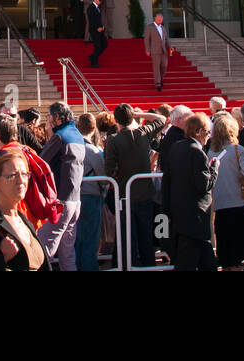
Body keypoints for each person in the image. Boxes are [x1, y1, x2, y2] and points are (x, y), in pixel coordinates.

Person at [104, 103, 166, 267]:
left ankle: (129, 266)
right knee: (145, 237)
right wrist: (139, 115)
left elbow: (109, 169)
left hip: (125, 195)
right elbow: (161, 118)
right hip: (144, 194)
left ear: (116, 120)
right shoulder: (143, 133)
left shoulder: (113, 140)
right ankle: (148, 266)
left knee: (127, 237)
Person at [163, 113, 218, 270]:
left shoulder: (176, 147)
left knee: (205, 259)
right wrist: (214, 169)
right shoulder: (197, 153)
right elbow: (204, 184)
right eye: (207, 132)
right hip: (195, 217)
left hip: (181, 214)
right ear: (199, 132)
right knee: (188, 261)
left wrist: (167, 210)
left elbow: (167, 179)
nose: (208, 137)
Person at [37, 102, 85, 270]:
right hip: (75, 201)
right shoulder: (78, 135)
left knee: (41, 248)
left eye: (49, 116)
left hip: (60, 202)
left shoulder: (59, 136)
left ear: (57, 117)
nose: (47, 120)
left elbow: (40, 162)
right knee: (67, 252)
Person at [207, 113, 244, 269]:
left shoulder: (210, 153)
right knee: (237, 252)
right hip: (237, 202)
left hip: (219, 203)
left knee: (225, 251)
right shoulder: (238, 150)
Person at [75, 113, 106, 271]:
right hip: (91, 197)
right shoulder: (93, 151)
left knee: (77, 239)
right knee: (90, 240)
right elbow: (102, 176)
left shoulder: (71, 147)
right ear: (94, 129)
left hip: (74, 196)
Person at [144, 13, 170, 92]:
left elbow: (166, 39)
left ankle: (161, 79)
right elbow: (146, 39)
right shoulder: (150, 27)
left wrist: (170, 47)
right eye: (159, 19)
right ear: (155, 19)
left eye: (161, 19)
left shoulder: (163, 28)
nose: (160, 20)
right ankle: (158, 84)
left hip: (163, 50)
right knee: (156, 68)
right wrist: (147, 50)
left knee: (164, 66)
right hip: (154, 50)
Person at [86, 0, 108, 67]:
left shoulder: (98, 8)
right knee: (97, 46)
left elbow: (99, 20)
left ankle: (92, 57)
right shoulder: (90, 8)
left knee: (105, 44)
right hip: (94, 30)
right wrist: (96, 28)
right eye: (99, 0)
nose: (100, 2)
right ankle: (94, 63)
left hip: (100, 30)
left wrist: (102, 27)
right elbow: (91, 20)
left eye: (101, 1)